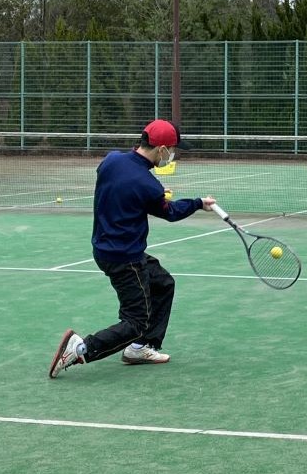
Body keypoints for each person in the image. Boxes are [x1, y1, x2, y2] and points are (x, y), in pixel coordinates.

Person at [49, 119, 216, 379]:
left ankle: (140, 349)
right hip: (125, 258)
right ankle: (81, 348)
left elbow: (126, 188)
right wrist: (197, 203)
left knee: (163, 283)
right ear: (161, 149)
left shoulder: (111, 161)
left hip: (106, 248)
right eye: (171, 150)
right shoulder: (148, 185)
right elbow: (169, 213)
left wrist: (150, 194)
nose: (172, 155)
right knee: (136, 322)